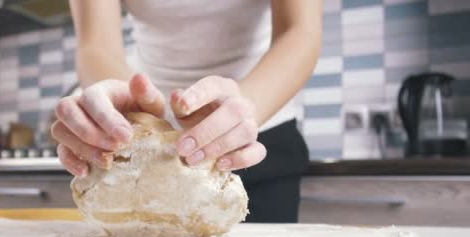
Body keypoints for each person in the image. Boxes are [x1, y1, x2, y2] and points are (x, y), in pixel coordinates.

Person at [51, 0, 323, 222]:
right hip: (142, 145)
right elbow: (95, 44)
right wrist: (120, 115)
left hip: (253, 137)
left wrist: (245, 107)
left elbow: (300, 32)